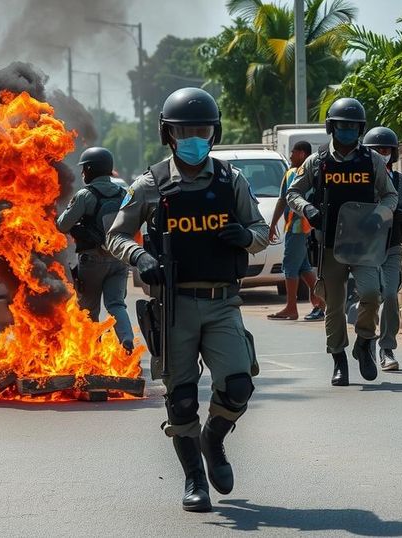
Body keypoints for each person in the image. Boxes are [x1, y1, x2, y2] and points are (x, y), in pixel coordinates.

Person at [107, 87, 268, 512]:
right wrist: (140, 256)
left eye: (202, 130)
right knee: (180, 398)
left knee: (237, 385)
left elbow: (263, 232)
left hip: (221, 302)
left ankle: (213, 439)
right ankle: (194, 478)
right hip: (173, 306)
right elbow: (115, 236)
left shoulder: (231, 180)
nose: (194, 138)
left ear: (213, 134)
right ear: (168, 134)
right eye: (184, 131)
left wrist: (246, 237)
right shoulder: (150, 185)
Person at [286, 97, 398, 387]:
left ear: (360, 129)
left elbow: (391, 195)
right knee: (333, 305)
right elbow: (293, 193)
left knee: (373, 293)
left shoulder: (372, 160)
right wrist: (308, 209)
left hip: (364, 244)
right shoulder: (318, 161)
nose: (346, 131)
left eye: (352, 126)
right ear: (331, 127)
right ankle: (338, 359)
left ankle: (364, 340)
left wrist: (381, 215)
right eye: (341, 126)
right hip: (329, 246)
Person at [56, 147, 134, 352]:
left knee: (89, 309)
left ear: (90, 169)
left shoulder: (85, 195)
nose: (83, 173)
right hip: (119, 259)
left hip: (92, 261)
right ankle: (126, 339)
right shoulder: (123, 193)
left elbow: (63, 225)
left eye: (84, 169)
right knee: (116, 304)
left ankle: (94, 352)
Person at [362, 127, 402, 371]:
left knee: (390, 295)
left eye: (384, 150)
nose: (380, 154)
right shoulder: (361, 180)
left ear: (393, 153)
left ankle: (386, 347)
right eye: (375, 151)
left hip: (392, 246)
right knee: (370, 295)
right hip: (363, 248)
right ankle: (364, 341)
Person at [267, 140, 325, 321]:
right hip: (306, 227)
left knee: (290, 267)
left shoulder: (294, 173)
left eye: (293, 152)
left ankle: (291, 308)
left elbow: (284, 200)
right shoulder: (309, 173)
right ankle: (321, 303)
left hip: (297, 226)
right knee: (303, 267)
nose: (290, 156)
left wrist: (273, 225)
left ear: (302, 154)